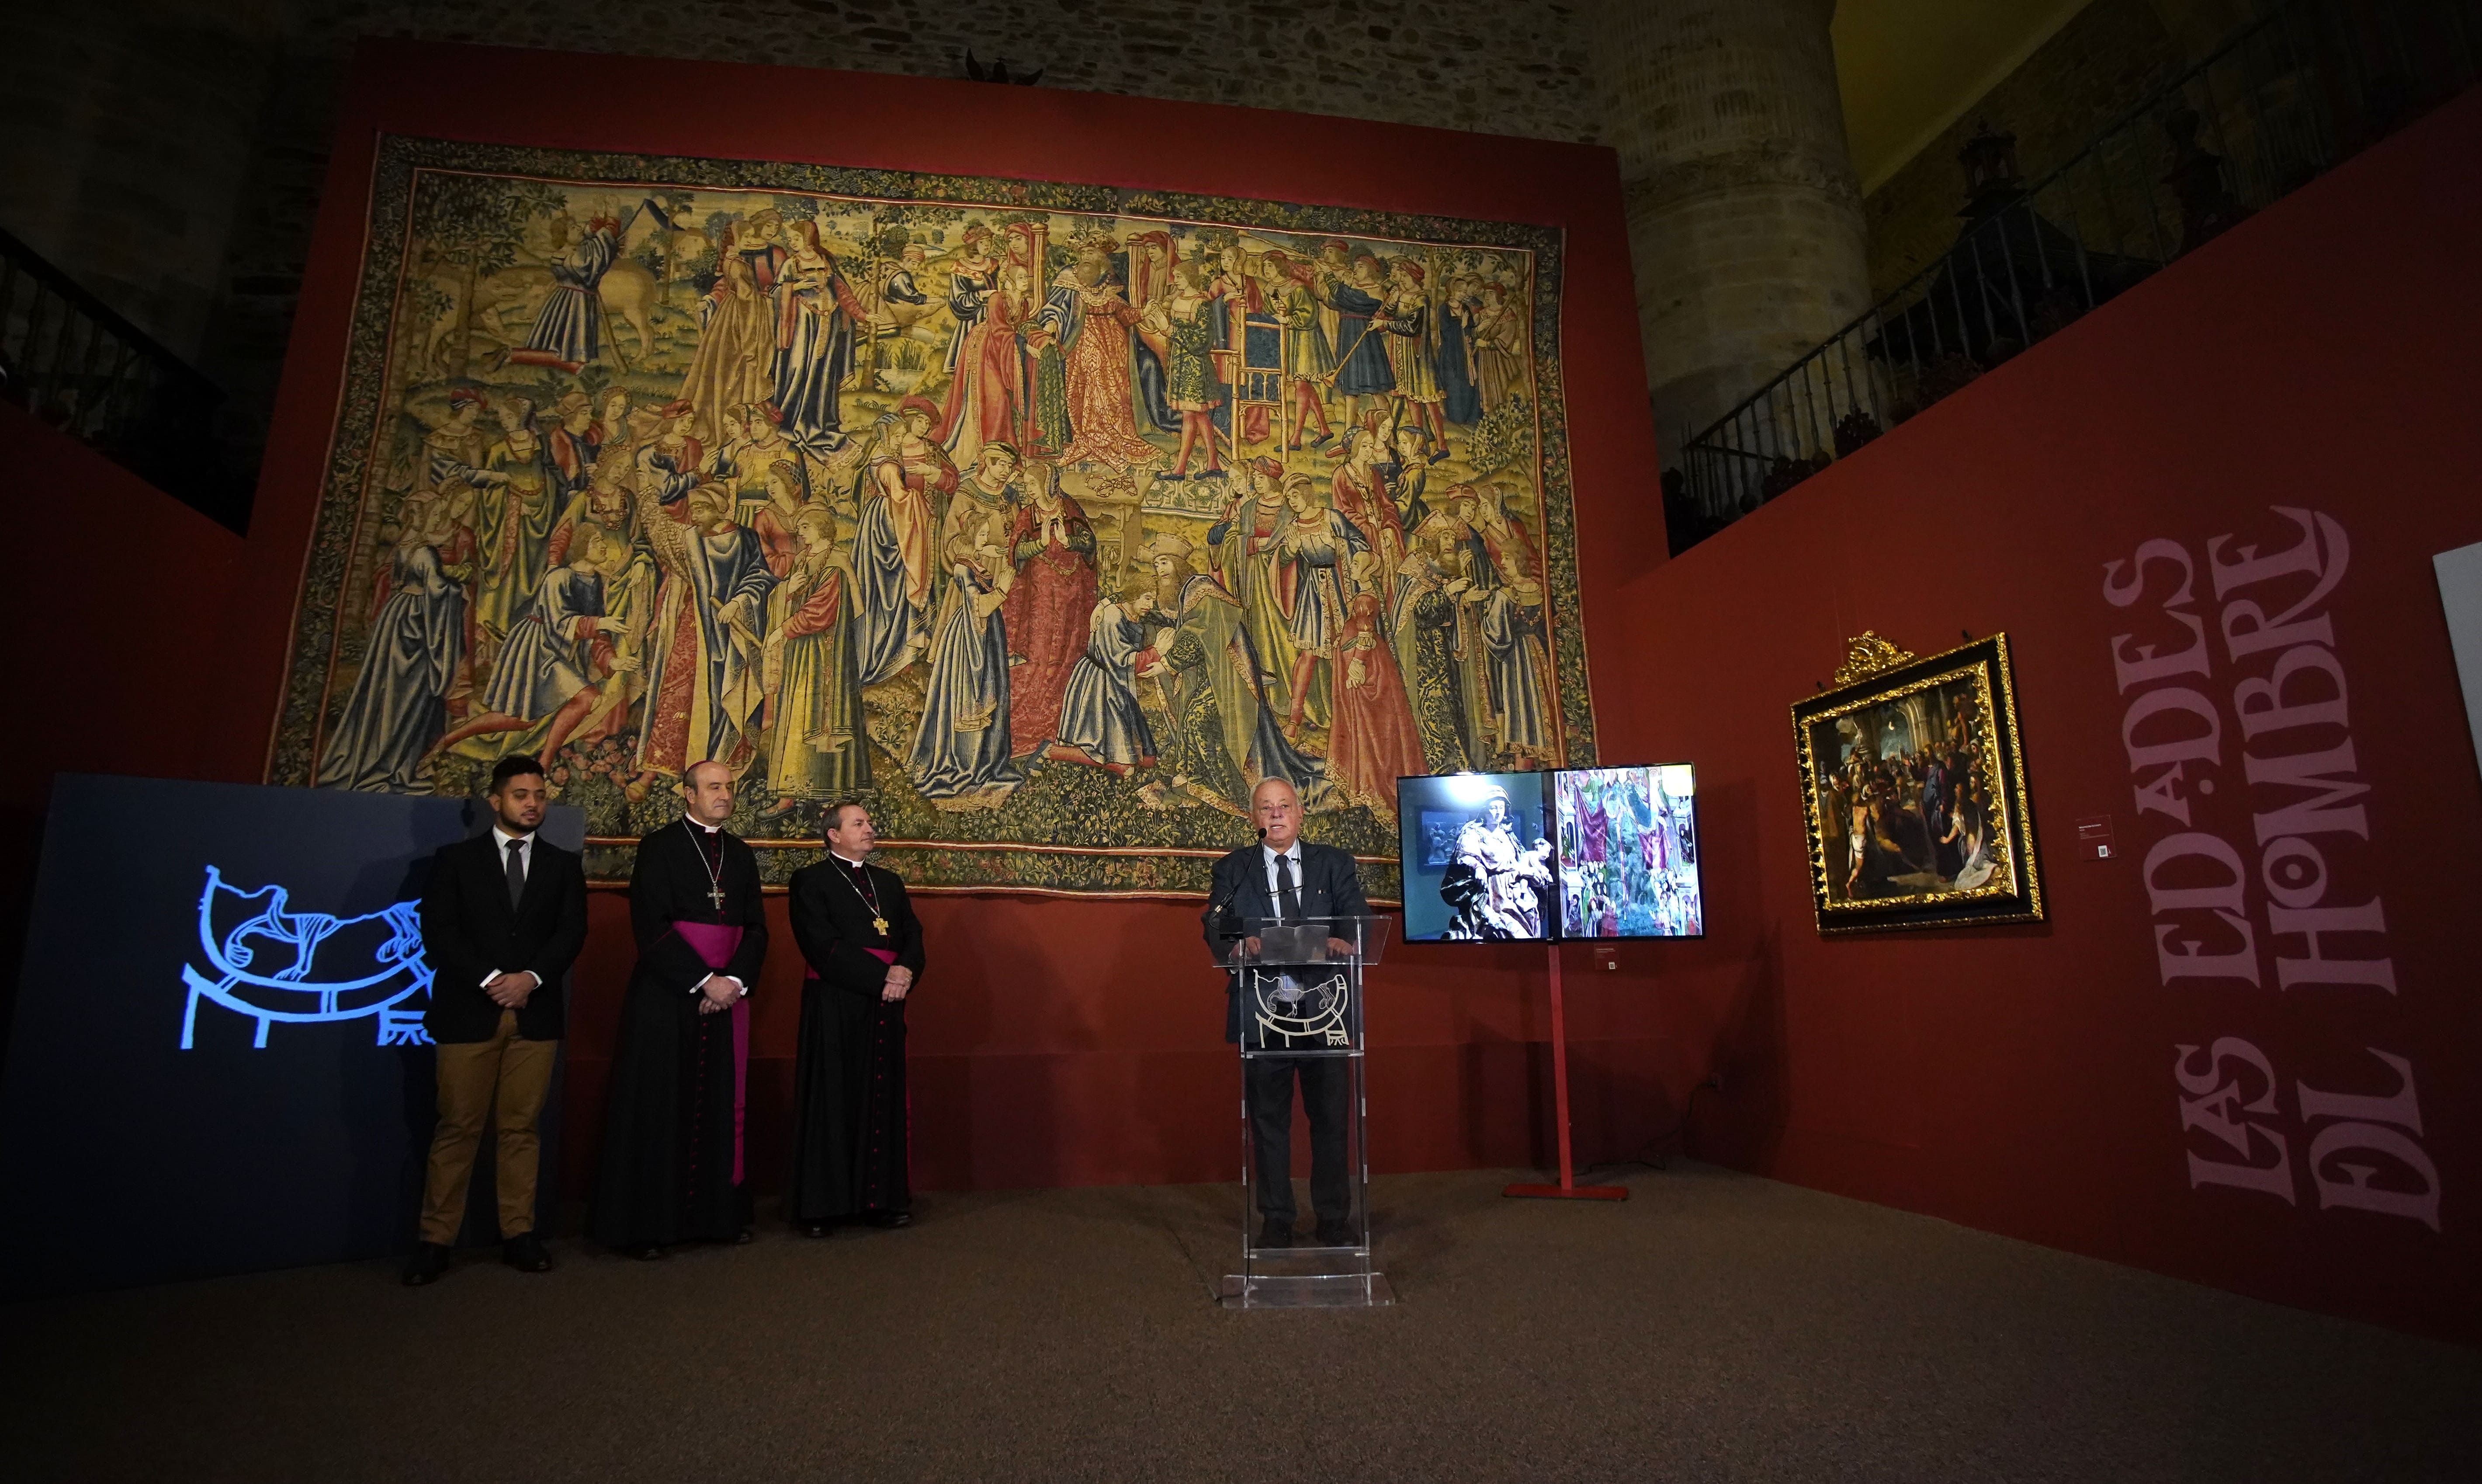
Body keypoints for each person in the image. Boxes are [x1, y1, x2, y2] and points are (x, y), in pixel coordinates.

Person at [403, 755, 589, 1285]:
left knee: (521, 1129)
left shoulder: (561, 864)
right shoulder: (456, 862)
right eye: (521, 796)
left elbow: (571, 934)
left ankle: (519, 1234)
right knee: (457, 1128)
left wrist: (529, 978)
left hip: (536, 1015)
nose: (533, 804)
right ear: (496, 802)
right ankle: (436, 1241)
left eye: (540, 796)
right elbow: (440, 934)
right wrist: (491, 980)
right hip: (468, 1012)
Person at [590, 761, 768, 1259]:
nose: (725, 795)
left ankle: (716, 1217)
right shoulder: (660, 847)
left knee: (720, 1105)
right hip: (668, 998)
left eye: (729, 788)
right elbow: (652, 925)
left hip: (727, 996)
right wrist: (702, 980)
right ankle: (650, 1226)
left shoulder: (739, 855)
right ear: (687, 794)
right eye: (714, 787)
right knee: (660, 1106)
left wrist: (732, 981)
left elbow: (756, 927)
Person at [1201, 778, 1372, 1249]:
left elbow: (1355, 918)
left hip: (1327, 1009)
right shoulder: (1236, 870)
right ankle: (1277, 1218)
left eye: (1283, 807)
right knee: (1269, 1122)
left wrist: (1345, 937)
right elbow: (1217, 922)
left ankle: (1334, 1219)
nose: (1275, 815)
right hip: (1264, 1010)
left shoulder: (1333, 864)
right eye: (1265, 808)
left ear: (1300, 813)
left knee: (1331, 1119)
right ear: (1254, 818)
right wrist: (1238, 942)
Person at [786, 802, 925, 1235]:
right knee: (834, 1099)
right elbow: (820, 945)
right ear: (833, 834)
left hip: (885, 1002)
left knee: (880, 1099)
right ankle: (823, 1207)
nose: (869, 829)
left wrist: (905, 972)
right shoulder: (810, 881)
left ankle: (881, 1200)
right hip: (836, 1002)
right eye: (859, 824)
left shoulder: (889, 882)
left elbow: (912, 936)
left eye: (869, 823)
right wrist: (883, 976)